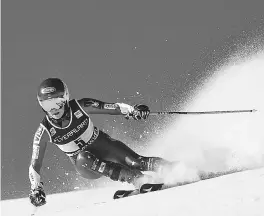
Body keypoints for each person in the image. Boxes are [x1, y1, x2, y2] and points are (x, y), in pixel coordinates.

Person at [29, 77, 174, 207]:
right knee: (84, 157)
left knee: (136, 162)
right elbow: (35, 164)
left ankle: (173, 169)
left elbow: (110, 107)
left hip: (103, 146)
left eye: (57, 103)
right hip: (86, 166)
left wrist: (132, 111)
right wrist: (36, 189)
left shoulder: (80, 106)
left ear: (66, 98)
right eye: (47, 105)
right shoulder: (44, 131)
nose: (53, 110)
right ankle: (138, 179)